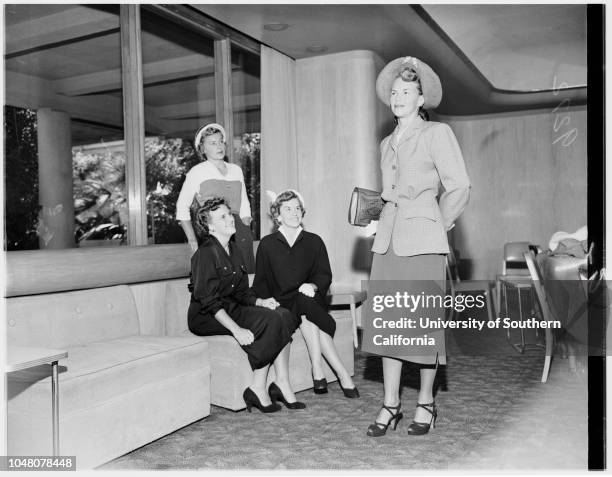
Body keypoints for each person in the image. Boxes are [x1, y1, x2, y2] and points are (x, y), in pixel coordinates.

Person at [365, 56, 470, 436]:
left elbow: (459, 186)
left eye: (407, 91)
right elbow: (390, 192)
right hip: (388, 242)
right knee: (391, 325)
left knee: (422, 327)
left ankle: (425, 402)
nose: (398, 97)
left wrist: (435, 225)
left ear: (421, 99)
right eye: (394, 92)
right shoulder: (385, 142)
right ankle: (390, 404)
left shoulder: (436, 134)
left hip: (422, 241)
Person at [188, 197, 305, 412]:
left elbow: (242, 293)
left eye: (229, 213)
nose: (230, 218)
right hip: (206, 317)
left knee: (283, 314)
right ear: (210, 226)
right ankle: (260, 389)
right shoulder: (204, 254)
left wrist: (261, 302)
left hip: (232, 308)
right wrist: (237, 330)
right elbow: (210, 302)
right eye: (222, 216)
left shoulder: (236, 251)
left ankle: (264, 385)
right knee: (271, 323)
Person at [253, 189, 359, 398]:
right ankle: (340, 372)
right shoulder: (267, 244)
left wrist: (313, 285)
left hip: (310, 297)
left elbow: (324, 274)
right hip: (284, 302)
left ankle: (318, 369)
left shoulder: (314, 241)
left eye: (298, 208)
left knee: (304, 303)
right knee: (304, 310)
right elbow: (261, 282)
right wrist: (264, 302)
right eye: (288, 209)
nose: (294, 213)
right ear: (278, 215)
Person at [176, 123, 255, 272]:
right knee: (221, 277)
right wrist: (192, 239)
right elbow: (182, 207)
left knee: (246, 275)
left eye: (221, 141)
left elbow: (244, 201)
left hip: (238, 231)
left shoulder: (236, 170)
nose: (219, 146)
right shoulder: (197, 172)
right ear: (202, 148)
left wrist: (245, 224)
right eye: (213, 143)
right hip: (214, 229)